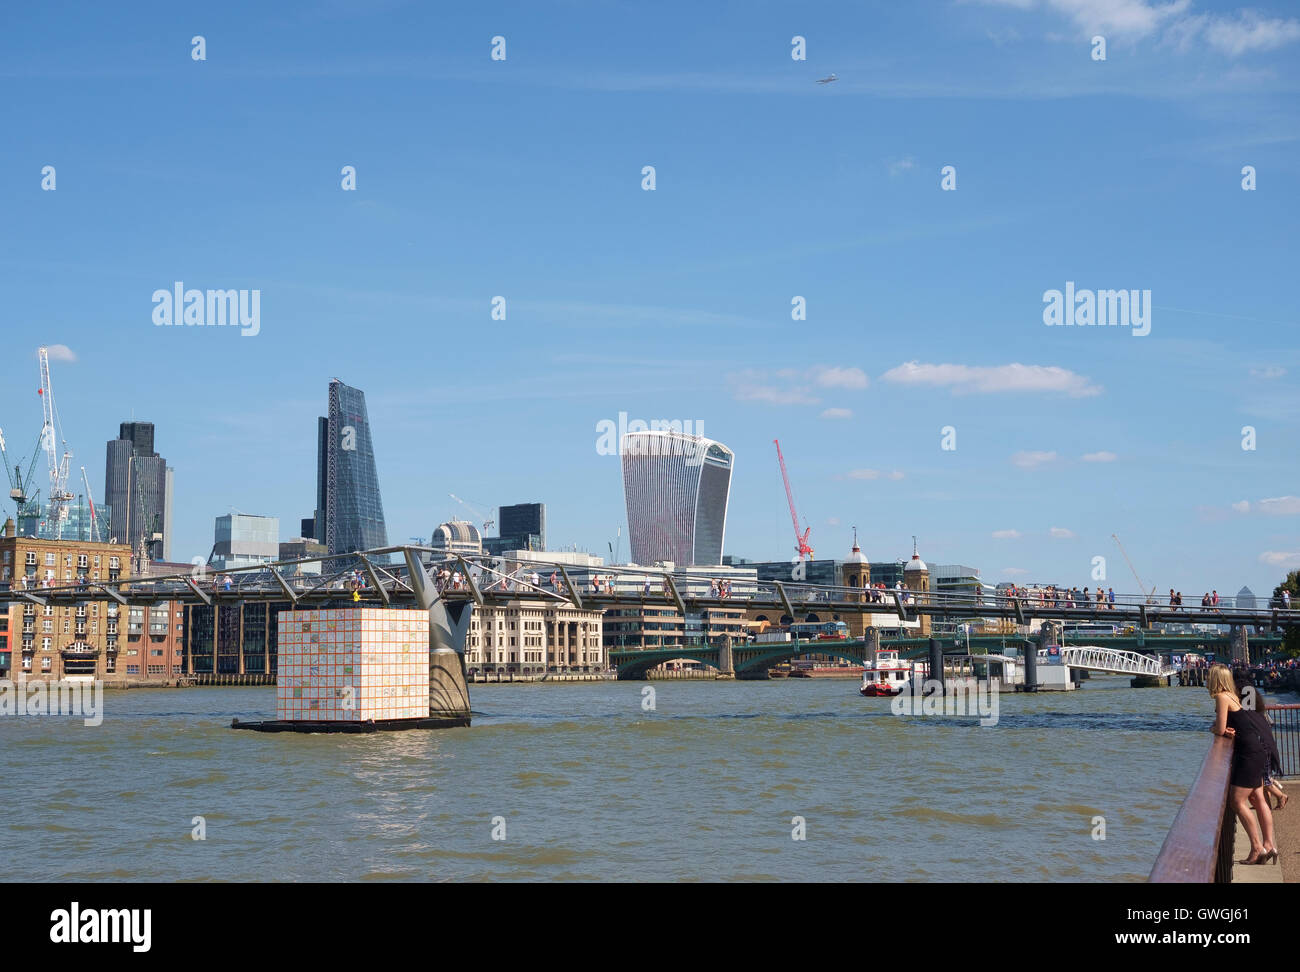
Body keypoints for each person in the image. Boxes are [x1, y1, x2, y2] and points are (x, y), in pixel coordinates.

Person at [1208, 664, 1278, 864]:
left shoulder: (1222, 697)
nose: (1206, 682)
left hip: (1247, 753)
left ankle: (1257, 848)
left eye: (1209, 678)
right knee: (1257, 798)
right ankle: (1269, 845)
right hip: (1256, 749)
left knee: (1237, 801)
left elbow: (1221, 729)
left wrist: (1214, 728)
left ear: (1215, 680)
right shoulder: (1232, 695)